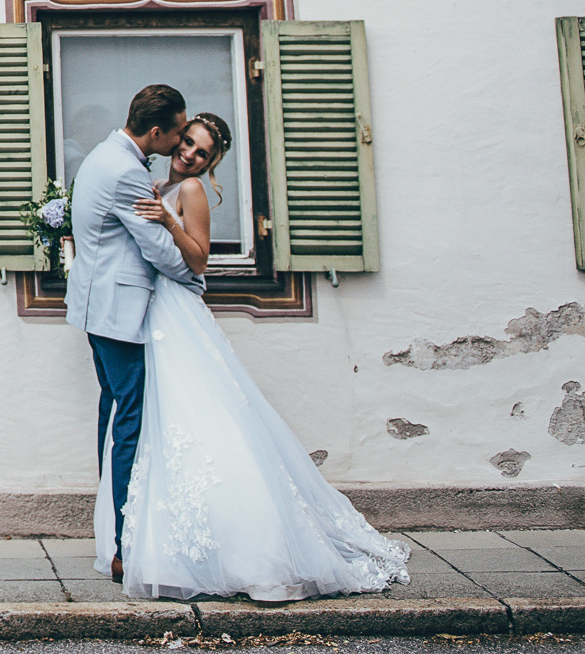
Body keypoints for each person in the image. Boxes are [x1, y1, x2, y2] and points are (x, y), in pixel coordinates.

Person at [94, 110, 410, 601]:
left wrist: (169, 221)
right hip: (152, 311)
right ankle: (157, 538)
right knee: (163, 420)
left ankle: (235, 545)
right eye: (188, 144)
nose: (189, 154)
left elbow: (199, 258)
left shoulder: (192, 192)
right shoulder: (155, 182)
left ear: (210, 161)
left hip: (173, 309)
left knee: (192, 416)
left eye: (201, 152)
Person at [62, 82, 206, 583]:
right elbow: (156, 246)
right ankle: (123, 542)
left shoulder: (106, 155)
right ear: (154, 131)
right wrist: (194, 279)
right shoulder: (126, 171)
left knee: (114, 414)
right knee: (130, 422)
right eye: (178, 134)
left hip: (98, 307)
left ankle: (115, 533)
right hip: (117, 311)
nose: (181, 142)